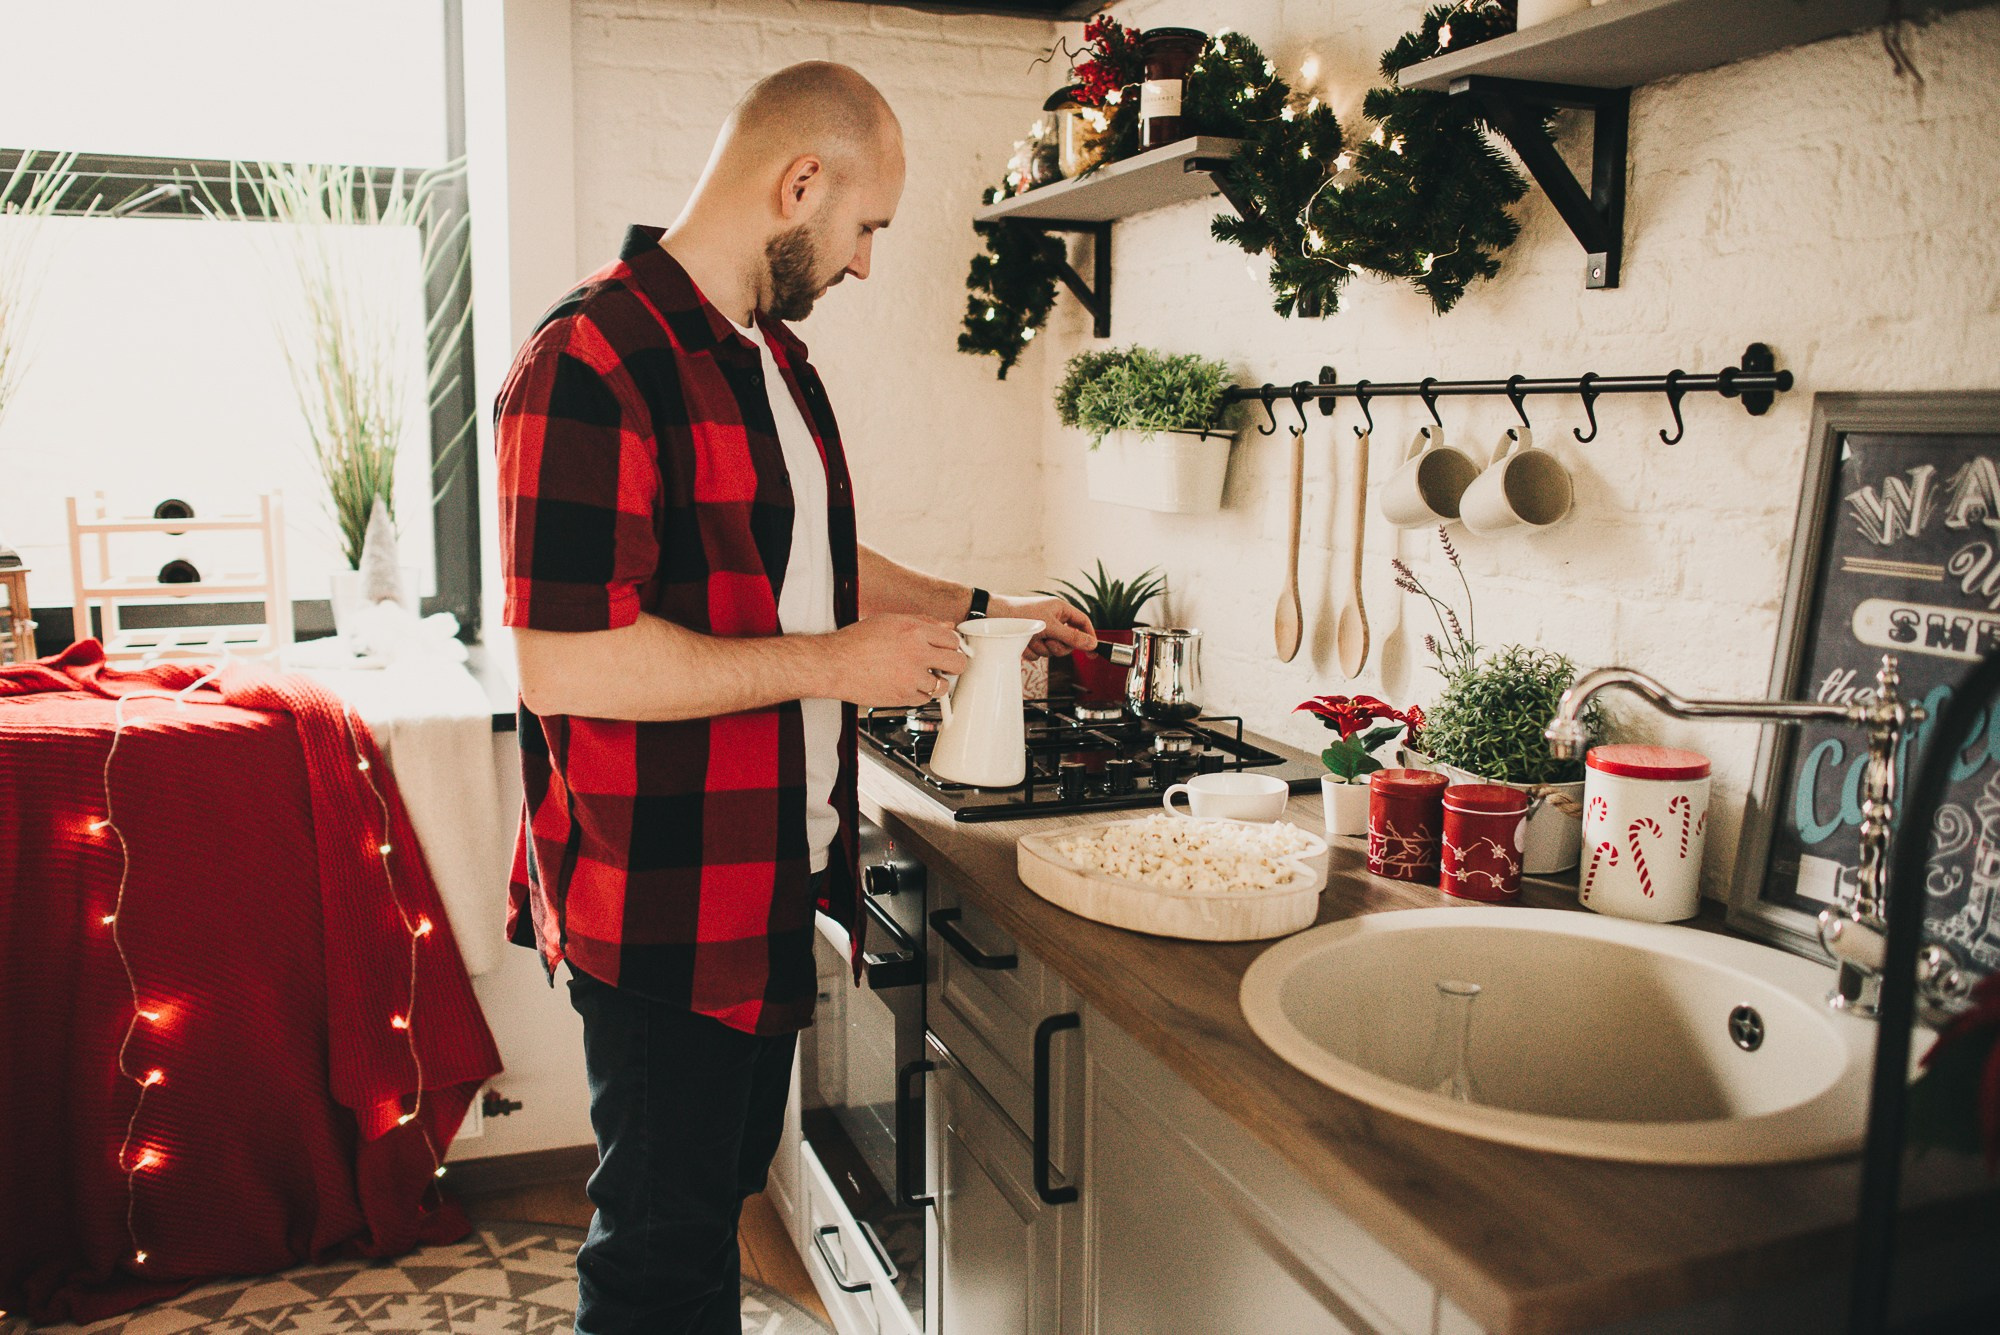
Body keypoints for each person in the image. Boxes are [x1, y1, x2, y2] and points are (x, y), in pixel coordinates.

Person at [493, 61, 1096, 1335]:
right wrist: (834, 665)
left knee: (702, 1216)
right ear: (800, 181)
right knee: (655, 1259)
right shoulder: (589, 361)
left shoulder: (765, 357)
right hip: (660, 905)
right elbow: (565, 664)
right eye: (865, 226)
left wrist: (980, 606)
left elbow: (807, 556)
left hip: (766, 876)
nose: (866, 262)